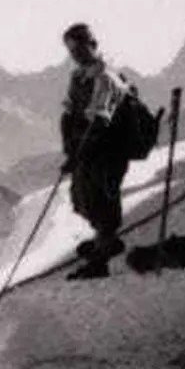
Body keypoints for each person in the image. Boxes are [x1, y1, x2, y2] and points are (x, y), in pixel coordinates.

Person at [59, 22, 132, 278]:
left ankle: (100, 261)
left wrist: (77, 153)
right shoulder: (78, 77)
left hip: (108, 149)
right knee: (84, 197)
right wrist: (70, 149)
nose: (76, 55)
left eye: (79, 48)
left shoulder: (105, 77)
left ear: (92, 45)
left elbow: (101, 121)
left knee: (103, 199)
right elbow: (68, 114)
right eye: (72, 51)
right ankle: (105, 241)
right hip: (87, 149)